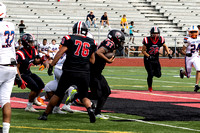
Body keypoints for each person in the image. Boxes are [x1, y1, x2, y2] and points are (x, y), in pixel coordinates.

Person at [38, 21, 97, 123]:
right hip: (84, 72)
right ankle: (90, 110)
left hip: (70, 70)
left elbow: (60, 53)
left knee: (58, 94)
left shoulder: (70, 38)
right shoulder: (92, 42)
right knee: (84, 96)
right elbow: (92, 61)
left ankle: (45, 114)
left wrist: (52, 65)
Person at [65, 30, 125, 119]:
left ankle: (97, 112)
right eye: (120, 40)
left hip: (96, 72)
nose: (121, 43)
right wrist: (108, 60)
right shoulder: (110, 43)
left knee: (106, 91)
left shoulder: (110, 44)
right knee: (97, 95)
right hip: (92, 72)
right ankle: (77, 95)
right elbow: (98, 52)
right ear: (116, 39)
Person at [0, 3, 26, 133]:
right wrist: (17, 73)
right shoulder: (10, 25)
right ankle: (5, 131)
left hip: (0, 64)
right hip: (10, 66)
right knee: (5, 100)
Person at [16, 33, 45, 112]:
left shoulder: (33, 50)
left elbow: (35, 62)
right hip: (22, 74)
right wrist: (19, 78)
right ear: (26, 43)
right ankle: (29, 106)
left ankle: (34, 99)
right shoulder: (20, 53)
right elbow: (16, 67)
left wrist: (42, 59)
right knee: (34, 87)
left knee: (41, 84)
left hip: (28, 72)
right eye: (31, 42)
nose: (33, 43)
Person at [142, 27, 172, 92]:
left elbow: (165, 46)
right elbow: (143, 51)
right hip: (148, 59)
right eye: (154, 33)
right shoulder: (147, 40)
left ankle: (152, 74)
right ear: (151, 34)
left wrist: (169, 53)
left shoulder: (161, 39)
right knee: (150, 74)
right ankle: (150, 87)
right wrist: (149, 56)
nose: (155, 35)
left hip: (156, 58)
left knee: (159, 75)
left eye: (156, 33)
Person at [179, 26, 200, 92]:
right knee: (188, 75)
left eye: (194, 32)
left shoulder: (199, 38)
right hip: (188, 58)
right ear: (189, 33)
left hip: (196, 56)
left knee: (199, 69)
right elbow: (182, 51)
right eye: (192, 32)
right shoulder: (188, 39)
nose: (193, 33)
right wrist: (187, 54)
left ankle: (196, 85)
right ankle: (182, 72)